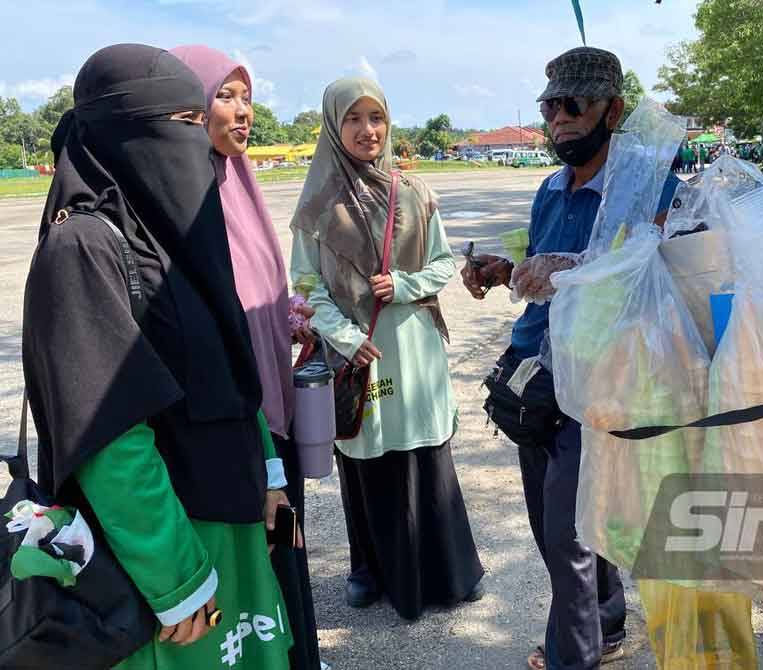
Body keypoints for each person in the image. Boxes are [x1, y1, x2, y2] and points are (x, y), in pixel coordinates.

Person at [22, 44, 294, 669]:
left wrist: (269, 475)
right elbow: (109, 435)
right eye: (183, 126)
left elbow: (230, 367)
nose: (197, 147)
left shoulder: (175, 236)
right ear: (125, 135)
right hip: (167, 559)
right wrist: (176, 580)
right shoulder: (83, 250)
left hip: (231, 518)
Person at [461, 47, 680, 670]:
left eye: (572, 104)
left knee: (567, 537)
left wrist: (578, 269)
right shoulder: (550, 189)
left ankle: (573, 656)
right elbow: (539, 276)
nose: (558, 117)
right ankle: (608, 624)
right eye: (550, 105)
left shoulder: (648, 188)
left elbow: (662, 273)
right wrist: (504, 272)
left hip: (604, 381)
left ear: (612, 111)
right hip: (537, 378)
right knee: (561, 522)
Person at [288, 77, 484, 621]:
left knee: (424, 456)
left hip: (414, 349)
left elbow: (444, 262)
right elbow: (305, 284)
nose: (367, 130)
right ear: (333, 125)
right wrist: (346, 338)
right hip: (358, 353)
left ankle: (449, 570)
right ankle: (368, 569)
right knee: (367, 458)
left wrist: (404, 284)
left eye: (376, 118)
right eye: (353, 118)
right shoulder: (318, 205)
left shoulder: (416, 193)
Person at [170, 44, 322, 670]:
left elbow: (259, 287)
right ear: (188, 107)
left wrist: (286, 318)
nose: (241, 111)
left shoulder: (243, 185)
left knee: (287, 540)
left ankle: (301, 654)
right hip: (232, 417)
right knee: (251, 550)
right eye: (224, 95)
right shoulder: (181, 196)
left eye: (247, 97)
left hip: (274, 405)